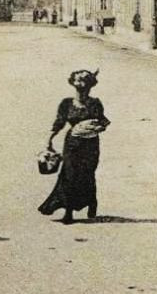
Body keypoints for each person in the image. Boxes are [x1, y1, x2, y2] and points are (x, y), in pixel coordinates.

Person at [39, 69, 110, 224]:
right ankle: (68, 212)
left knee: (87, 174)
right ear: (72, 83)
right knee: (69, 175)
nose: (80, 84)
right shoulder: (66, 104)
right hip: (72, 143)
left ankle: (91, 202)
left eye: (84, 80)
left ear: (90, 85)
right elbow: (59, 123)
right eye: (78, 80)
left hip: (90, 145)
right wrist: (48, 140)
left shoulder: (94, 103)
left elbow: (104, 121)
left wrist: (95, 128)